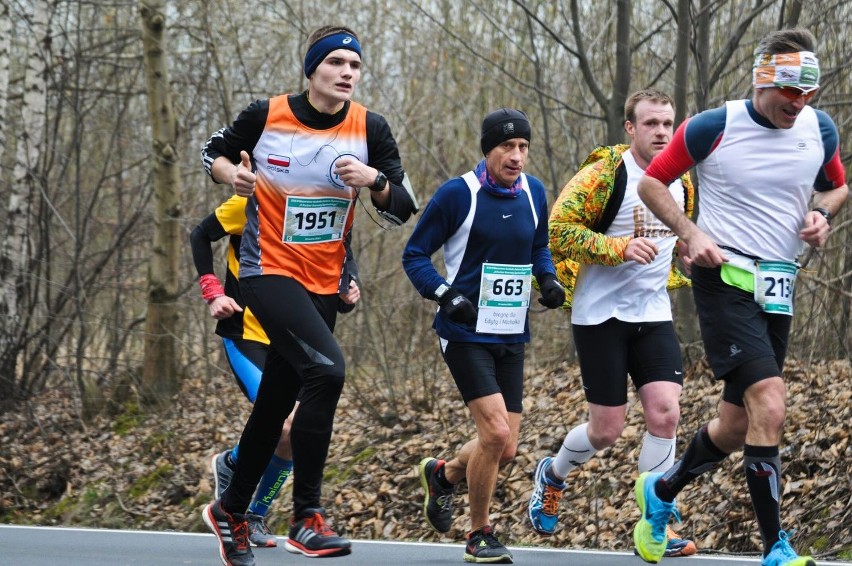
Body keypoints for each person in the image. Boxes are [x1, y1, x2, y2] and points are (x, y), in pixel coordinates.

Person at [199, 25, 418, 566]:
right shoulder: (267, 114)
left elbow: (402, 205)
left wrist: (373, 179)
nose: (347, 73)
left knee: (276, 402)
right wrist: (234, 177)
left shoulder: (371, 128)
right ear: (313, 69)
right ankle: (307, 516)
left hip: (324, 283)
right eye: (336, 63)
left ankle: (230, 508)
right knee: (329, 371)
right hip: (267, 272)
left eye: (355, 65)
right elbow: (213, 154)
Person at [630, 28, 847, 566]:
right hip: (722, 277)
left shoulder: (819, 128)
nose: (798, 104)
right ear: (762, 80)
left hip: (778, 285)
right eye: (789, 93)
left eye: (807, 93)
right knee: (770, 401)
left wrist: (823, 215)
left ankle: (659, 494)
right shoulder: (713, 126)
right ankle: (775, 547)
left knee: (736, 424)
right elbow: (652, 184)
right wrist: (690, 232)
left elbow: (837, 186)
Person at [527, 89, 697, 558]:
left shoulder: (682, 177)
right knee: (606, 431)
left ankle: (656, 520)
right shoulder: (604, 174)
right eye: (651, 124)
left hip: (653, 312)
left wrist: (687, 249)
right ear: (630, 128)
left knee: (666, 412)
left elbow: (680, 231)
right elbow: (555, 231)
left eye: (667, 123)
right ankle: (553, 474)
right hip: (600, 315)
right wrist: (617, 248)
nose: (661, 132)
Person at [402, 108, 565, 564]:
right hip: (464, 331)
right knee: (493, 432)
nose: (517, 157)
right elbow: (414, 254)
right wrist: (443, 294)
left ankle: (444, 475)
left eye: (523, 148)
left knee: (506, 447)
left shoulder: (534, 192)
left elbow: (538, 247)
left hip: (511, 330)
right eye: (507, 148)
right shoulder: (459, 195)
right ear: (488, 149)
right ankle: (479, 535)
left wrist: (547, 280)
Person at [190, 194, 360, 548]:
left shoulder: (319, 206)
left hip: (292, 339)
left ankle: (251, 512)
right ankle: (237, 472)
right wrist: (213, 292)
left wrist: (347, 286)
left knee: (291, 429)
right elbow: (200, 234)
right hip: (248, 335)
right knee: (288, 420)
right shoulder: (250, 202)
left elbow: (340, 253)